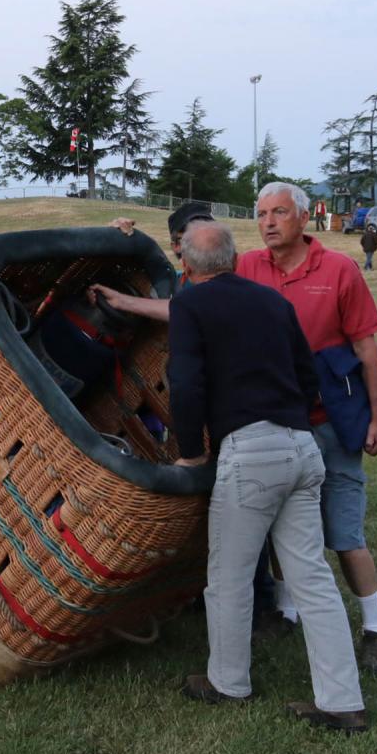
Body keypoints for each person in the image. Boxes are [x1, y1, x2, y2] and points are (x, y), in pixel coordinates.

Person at [96, 183, 377, 675]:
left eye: (279, 212)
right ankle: (295, 622)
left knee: (340, 534)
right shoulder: (248, 269)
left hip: (323, 425)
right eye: (261, 214)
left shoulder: (340, 270)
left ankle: (374, 628)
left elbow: (367, 352)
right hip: (295, 426)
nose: (268, 222)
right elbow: (194, 286)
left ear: (304, 218)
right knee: (296, 547)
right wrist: (128, 245)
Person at [169, 222, 366, 732]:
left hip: (249, 451)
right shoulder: (274, 302)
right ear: (234, 259)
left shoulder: (189, 304)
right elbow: (307, 376)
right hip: (302, 448)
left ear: (187, 266)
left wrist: (191, 454)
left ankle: (228, 682)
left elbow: (186, 384)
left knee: (228, 576)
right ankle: (343, 700)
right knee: (313, 579)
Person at [106, 204, 279, 634]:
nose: (206, 235)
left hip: (238, 420)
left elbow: (181, 328)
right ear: (179, 246)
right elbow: (171, 304)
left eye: (209, 228)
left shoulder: (229, 277)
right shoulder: (183, 280)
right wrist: (116, 235)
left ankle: (256, 605)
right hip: (222, 419)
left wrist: (190, 453)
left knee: (245, 514)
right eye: (194, 231)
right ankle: (209, 593)